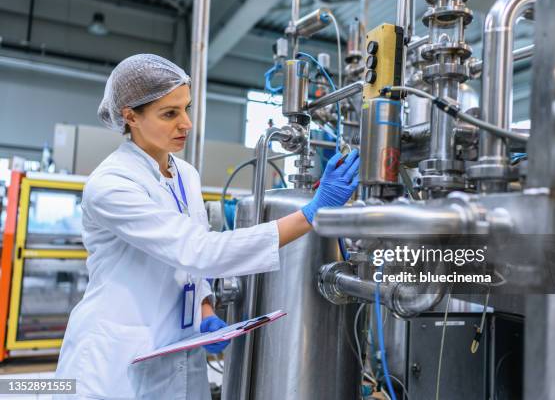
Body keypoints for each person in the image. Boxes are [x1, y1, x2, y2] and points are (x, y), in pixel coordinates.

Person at [53, 54, 359, 399]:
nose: (186, 123)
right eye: (169, 114)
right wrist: (310, 213)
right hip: (117, 359)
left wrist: (205, 310)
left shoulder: (185, 174)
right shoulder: (111, 184)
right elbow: (199, 250)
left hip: (178, 351)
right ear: (130, 117)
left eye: (186, 109)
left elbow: (186, 265)